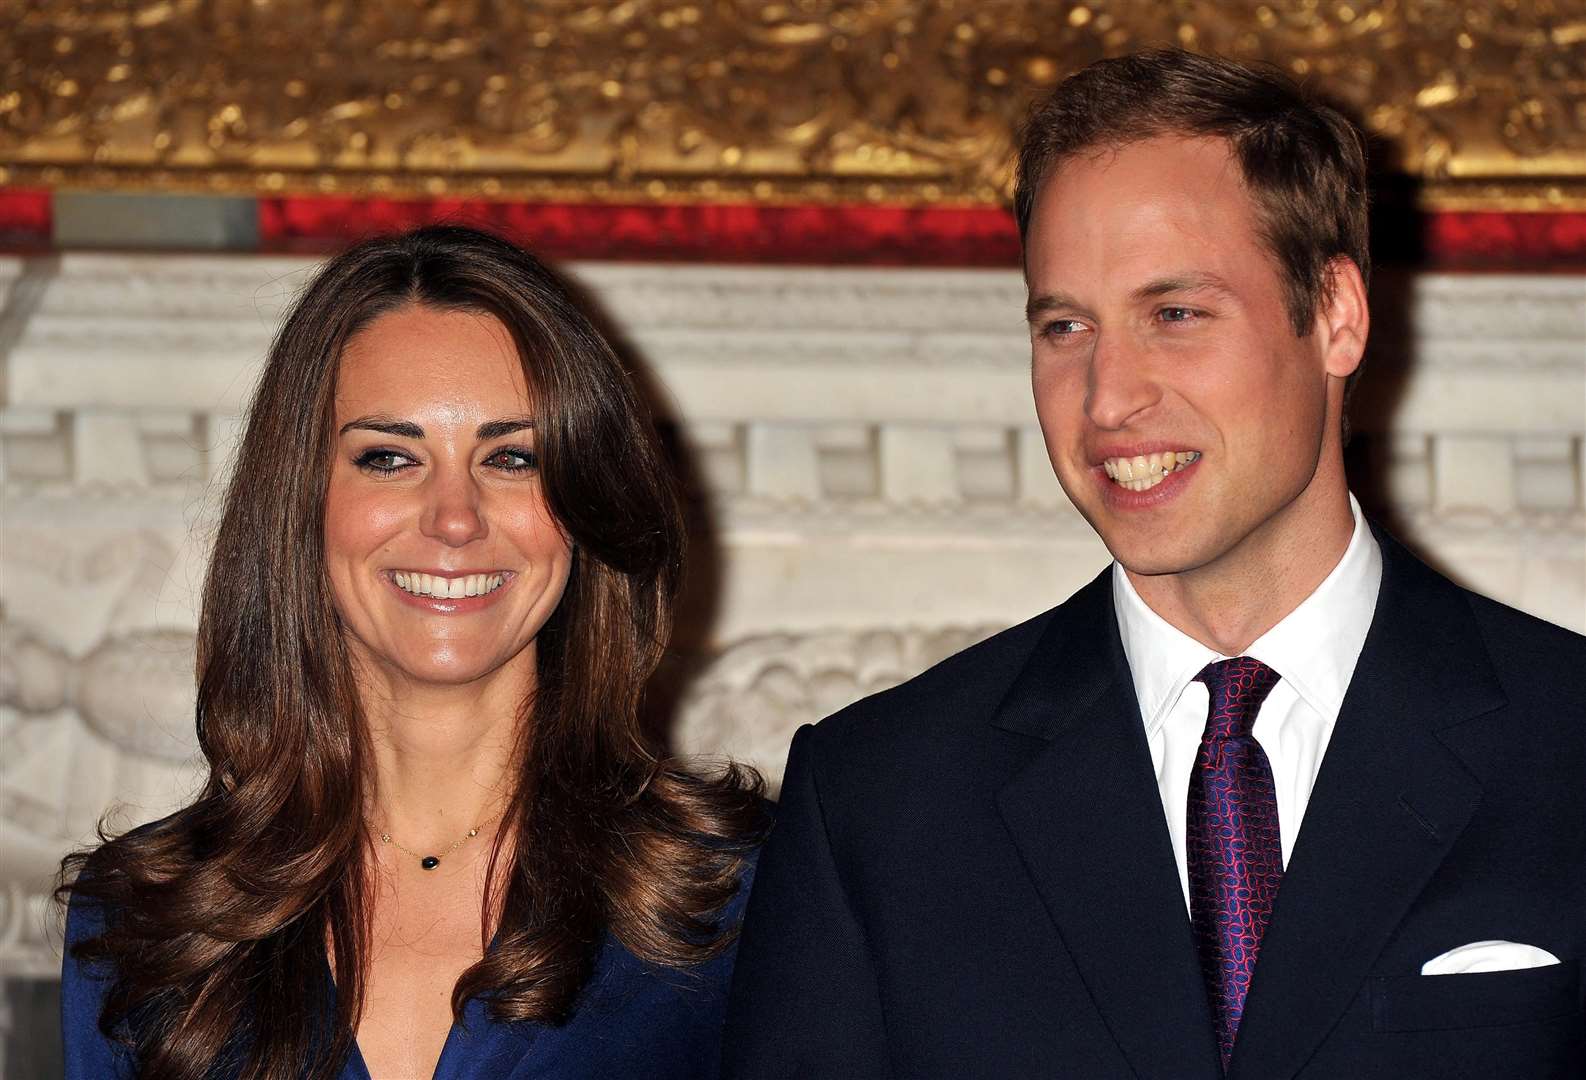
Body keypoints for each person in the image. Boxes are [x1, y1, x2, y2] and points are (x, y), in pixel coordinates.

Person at [723, 49, 1585, 1079]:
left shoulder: (1565, 740)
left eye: (1173, 315)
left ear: (1336, 317)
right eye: (1063, 326)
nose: (1105, 396)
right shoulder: (874, 801)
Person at [60, 225, 765, 1080]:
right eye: (389, 458)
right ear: (304, 503)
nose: (455, 518)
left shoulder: (741, 896)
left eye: (512, 458)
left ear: (584, 506)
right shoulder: (146, 918)